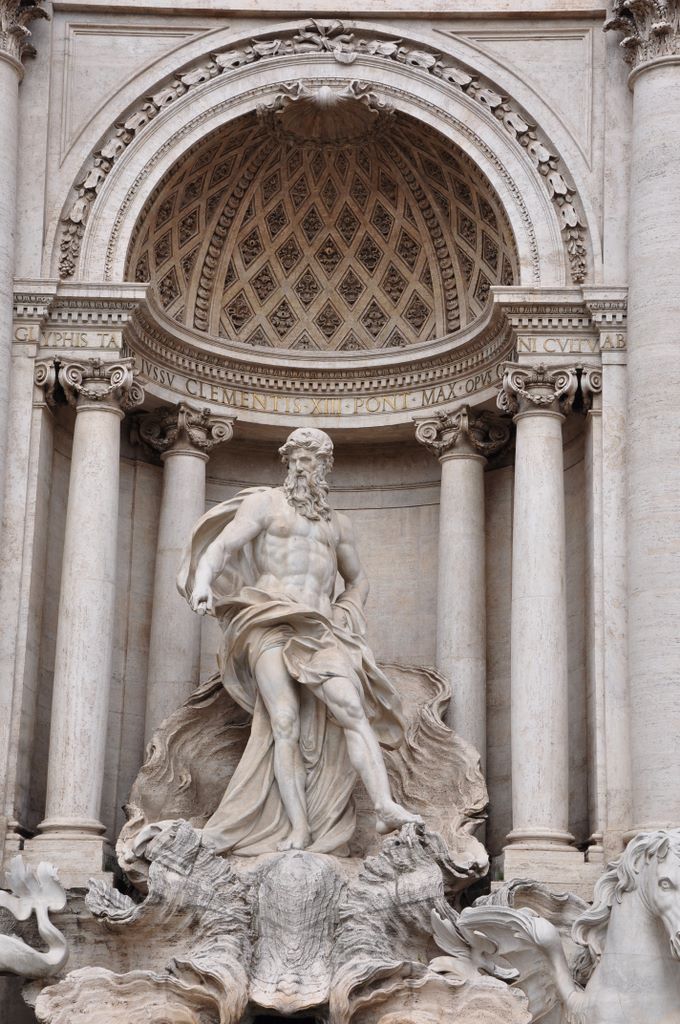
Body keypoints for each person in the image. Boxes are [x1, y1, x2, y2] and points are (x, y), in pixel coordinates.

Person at [177, 426, 421, 855]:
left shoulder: (337, 524)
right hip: (269, 619)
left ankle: (384, 806)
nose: (308, 466)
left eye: (317, 459)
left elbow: (358, 578)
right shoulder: (263, 505)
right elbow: (222, 546)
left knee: (351, 707)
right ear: (287, 462)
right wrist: (202, 582)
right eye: (301, 458)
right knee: (283, 722)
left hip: (321, 627)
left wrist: (348, 610)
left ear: (327, 467)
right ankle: (298, 830)